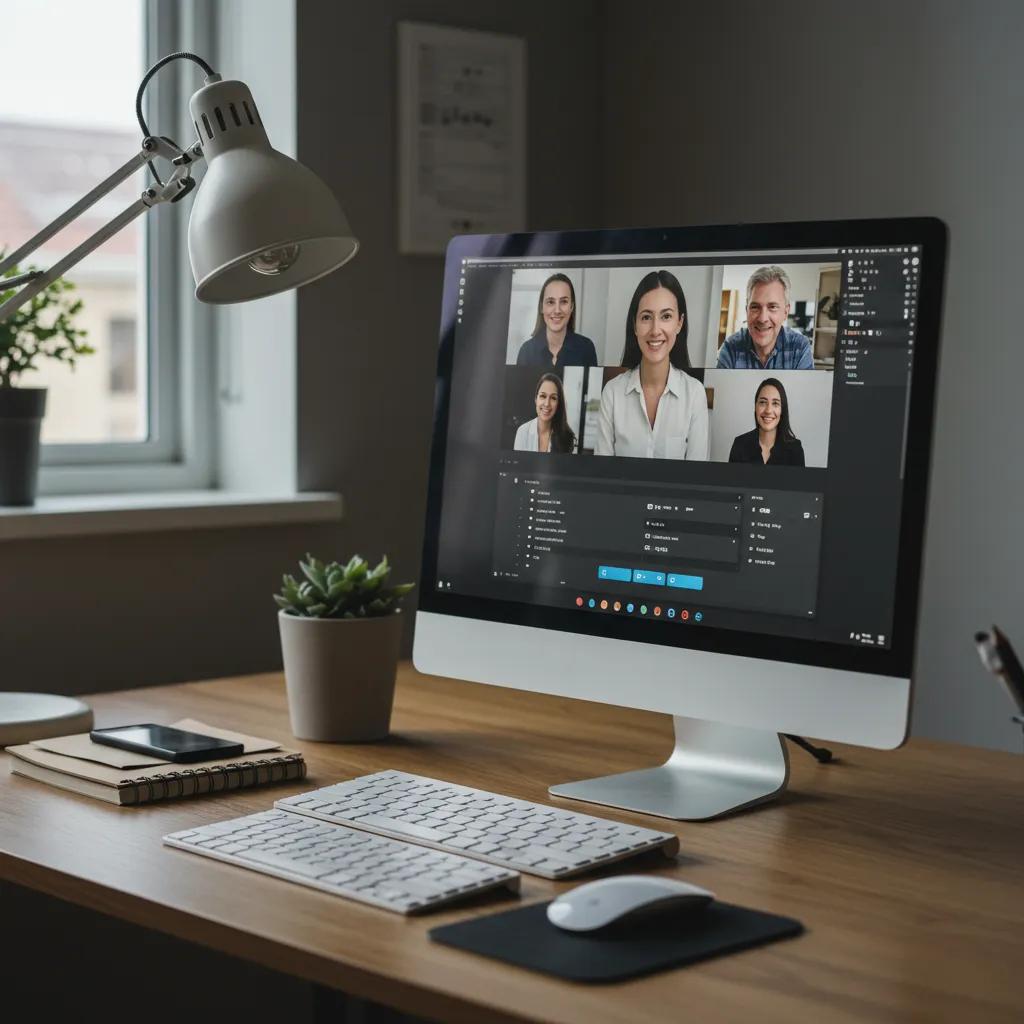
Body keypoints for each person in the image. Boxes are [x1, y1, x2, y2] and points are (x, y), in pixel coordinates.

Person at [595, 269, 708, 460]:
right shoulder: (612, 393)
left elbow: (696, 479)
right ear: (635, 324)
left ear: (679, 323)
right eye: (646, 317)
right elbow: (603, 473)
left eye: (666, 316)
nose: (655, 330)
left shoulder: (695, 394)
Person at [717, 266, 813, 369]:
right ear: (747, 310)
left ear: (785, 312)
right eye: (755, 307)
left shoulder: (800, 347)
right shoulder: (731, 347)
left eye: (772, 307)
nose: (762, 319)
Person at [515, 273, 598, 369]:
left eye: (563, 302)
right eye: (550, 302)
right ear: (542, 307)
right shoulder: (526, 351)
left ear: (571, 307)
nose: (557, 310)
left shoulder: (586, 348)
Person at [728, 377, 806, 466]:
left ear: (782, 410)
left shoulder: (795, 449)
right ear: (755, 407)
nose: (768, 410)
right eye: (762, 402)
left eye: (775, 403)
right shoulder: (739, 444)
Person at [513, 372, 577, 453]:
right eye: (543, 396)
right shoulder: (522, 432)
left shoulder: (566, 438)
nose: (547, 404)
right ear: (536, 399)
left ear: (559, 403)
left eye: (553, 398)